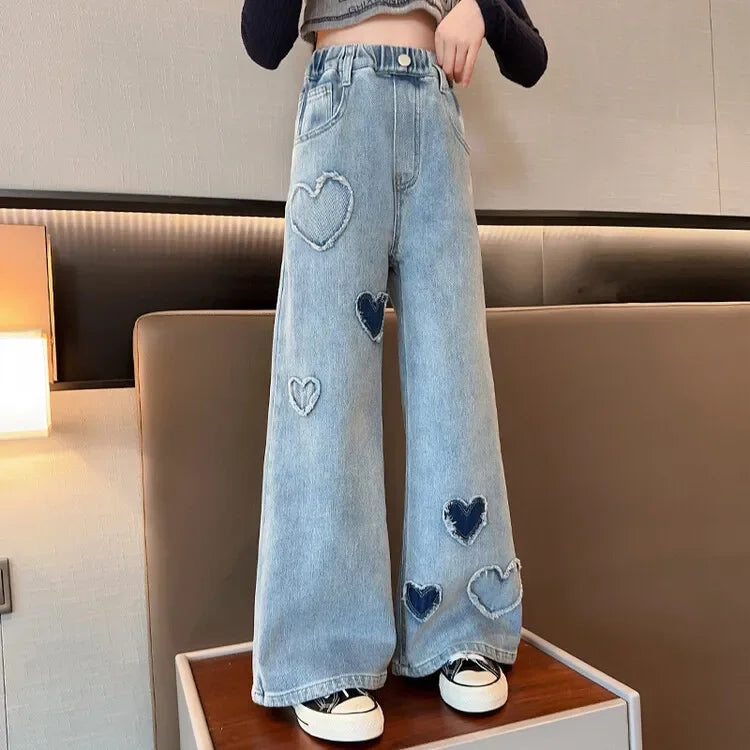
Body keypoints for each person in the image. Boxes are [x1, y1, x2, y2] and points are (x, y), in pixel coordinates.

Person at [240, 0, 548, 742]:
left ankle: (461, 629)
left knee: (455, 382)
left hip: (435, 115)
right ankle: (325, 654)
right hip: (339, 106)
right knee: (326, 387)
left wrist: (478, 10)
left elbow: (531, 57)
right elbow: (262, 38)